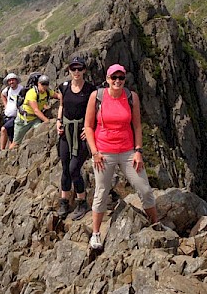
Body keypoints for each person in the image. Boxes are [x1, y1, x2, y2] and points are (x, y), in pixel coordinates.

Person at [83, 64, 158, 249]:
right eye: (113, 77)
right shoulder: (97, 96)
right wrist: (95, 152)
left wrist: (138, 151)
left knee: (145, 189)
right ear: (107, 79)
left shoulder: (131, 97)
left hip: (127, 152)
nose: (117, 81)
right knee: (101, 192)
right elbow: (88, 126)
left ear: (124, 79)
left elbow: (137, 126)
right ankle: (96, 234)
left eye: (121, 78)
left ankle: (156, 225)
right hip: (104, 153)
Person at [56, 57, 95, 220]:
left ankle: (82, 201)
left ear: (84, 70)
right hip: (66, 132)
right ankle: (64, 201)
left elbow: (95, 111)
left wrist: (89, 129)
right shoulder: (64, 87)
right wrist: (58, 121)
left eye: (79, 69)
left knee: (74, 169)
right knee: (65, 167)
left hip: (81, 133)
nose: (76, 72)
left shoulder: (91, 90)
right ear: (69, 71)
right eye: (73, 69)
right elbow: (62, 106)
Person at [11, 74, 56, 147]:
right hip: (24, 120)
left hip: (35, 119)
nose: (44, 86)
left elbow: (57, 96)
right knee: (16, 142)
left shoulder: (47, 91)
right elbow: (36, 110)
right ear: (38, 83)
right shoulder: (32, 93)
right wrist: (47, 121)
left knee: (40, 133)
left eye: (46, 84)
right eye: (42, 84)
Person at [0, 73, 22, 150]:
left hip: (16, 117)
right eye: (9, 81)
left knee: (3, 129)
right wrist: (5, 105)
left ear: (16, 80)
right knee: (11, 137)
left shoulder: (21, 89)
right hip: (7, 117)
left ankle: (2, 150)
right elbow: (2, 95)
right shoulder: (8, 89)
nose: (11, 82)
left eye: (13, 80)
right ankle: (9, 152)